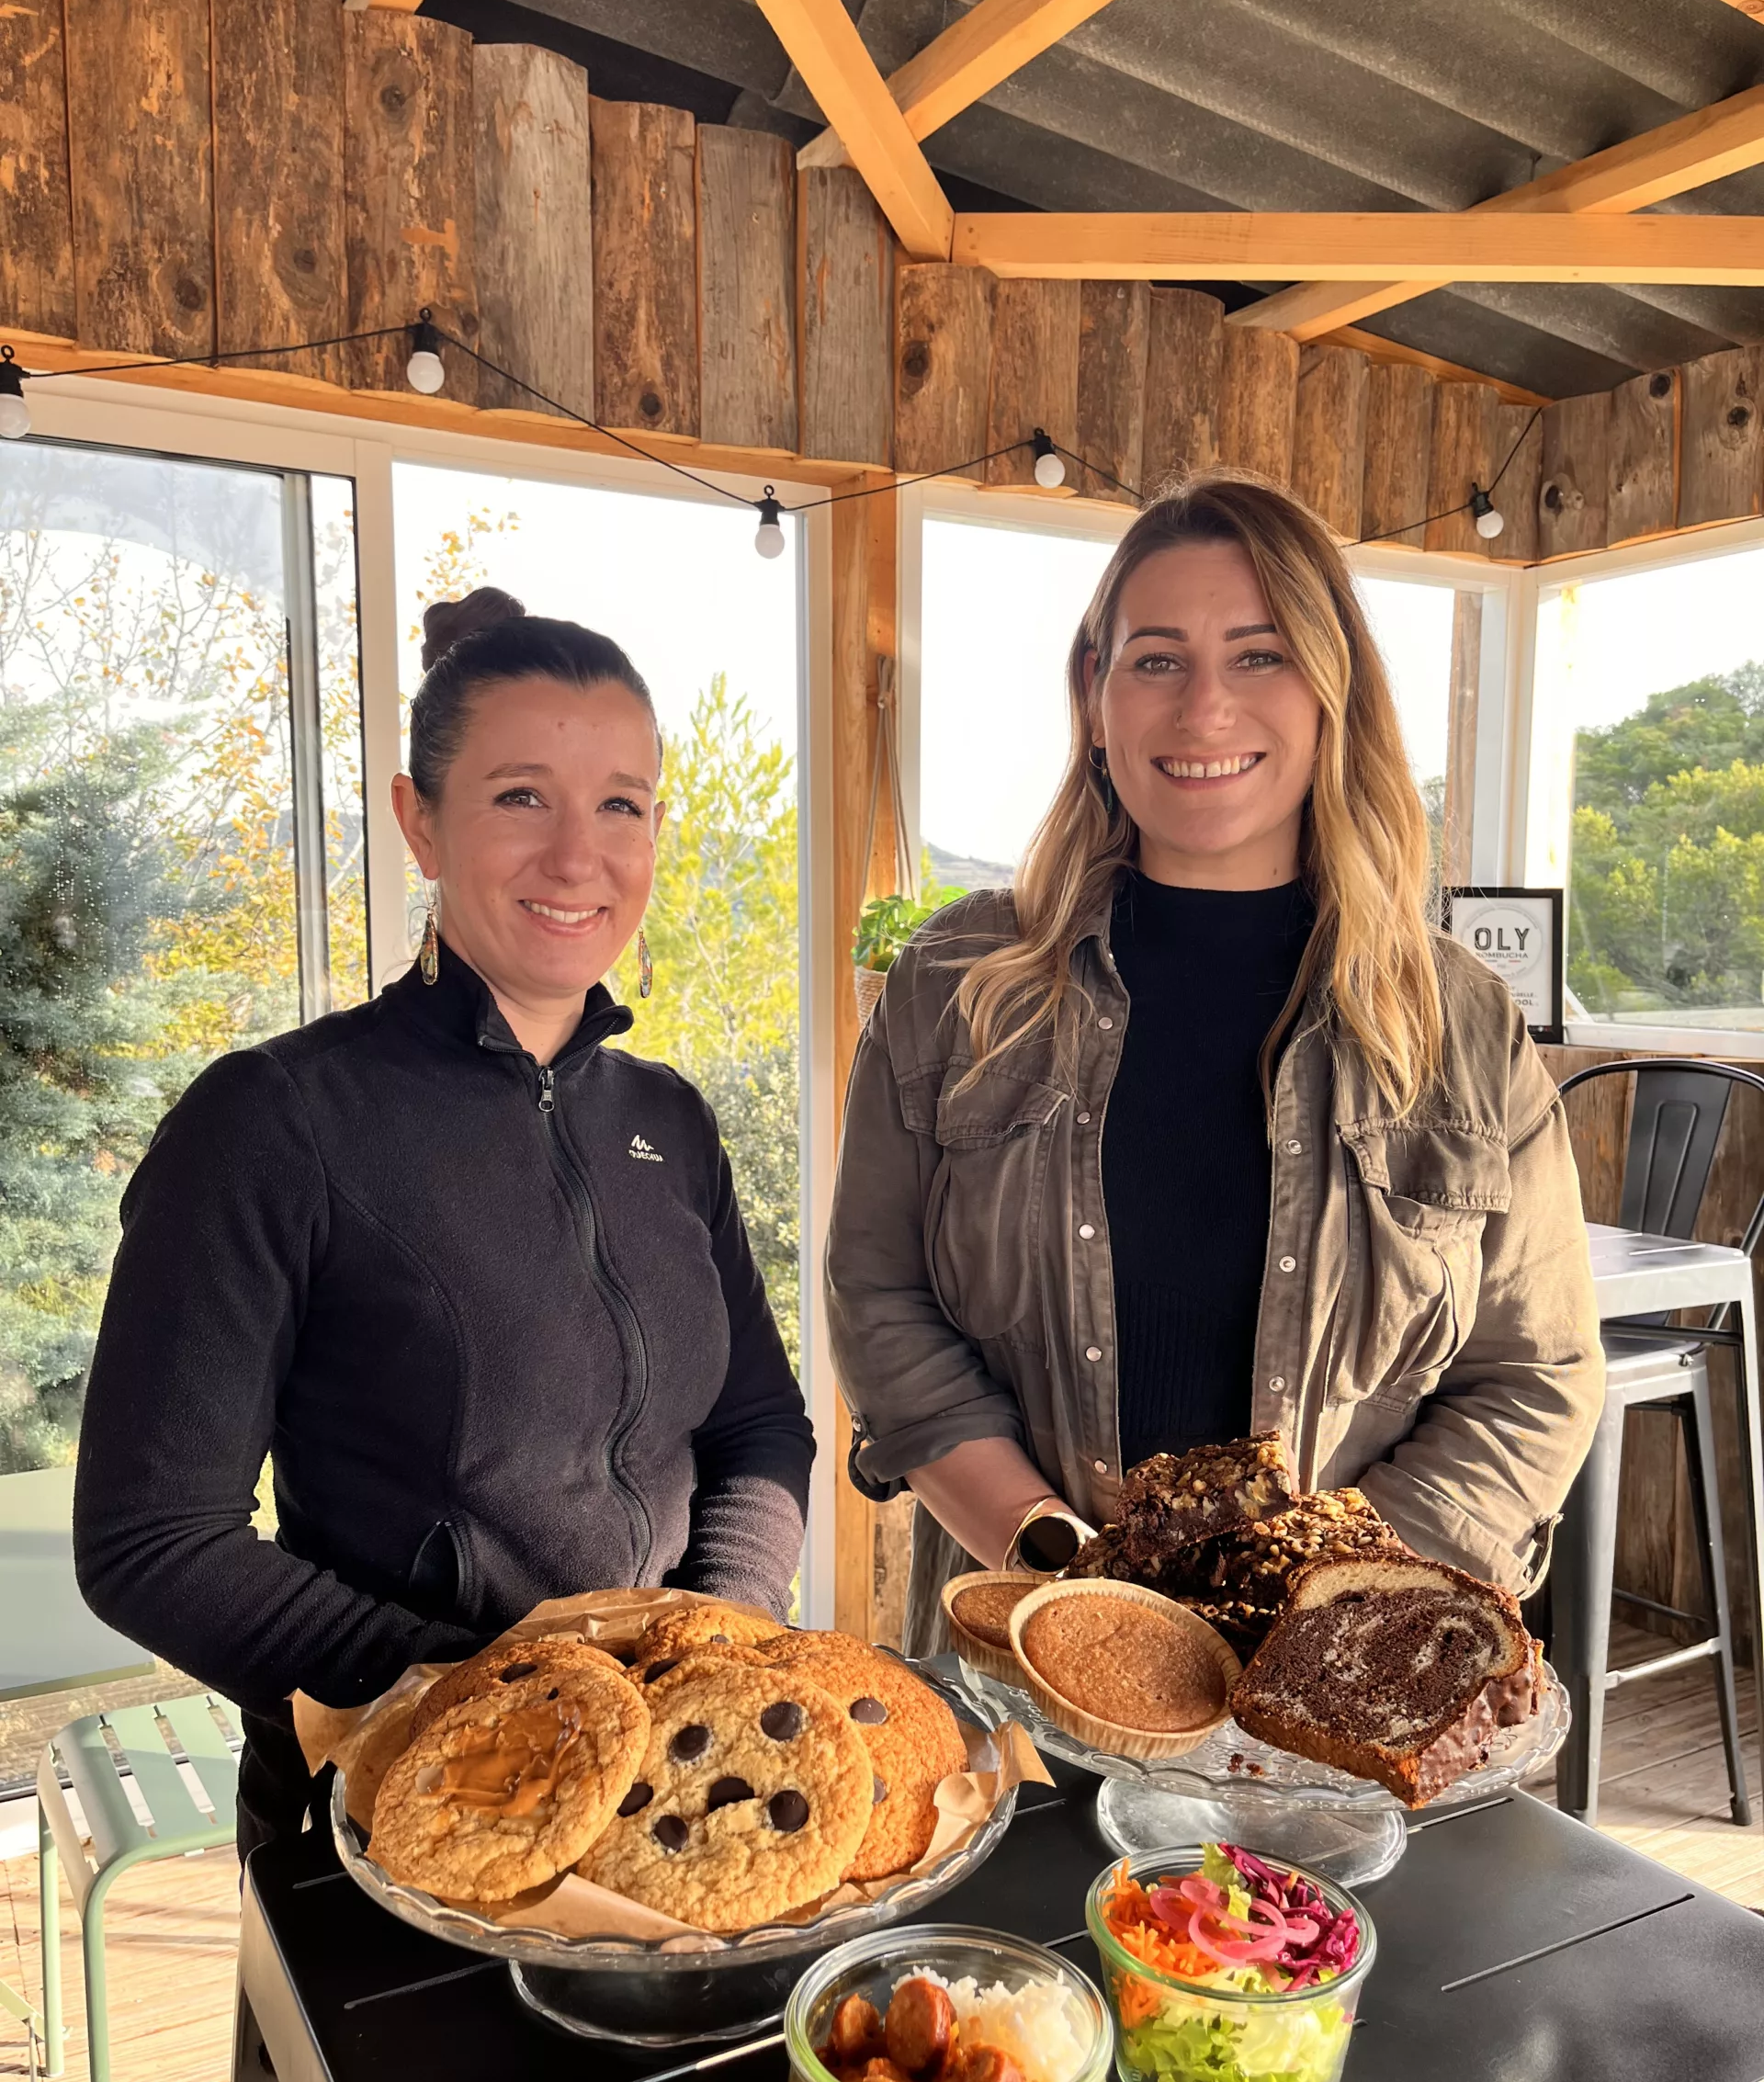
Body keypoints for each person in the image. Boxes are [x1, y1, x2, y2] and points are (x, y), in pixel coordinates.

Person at [74, 589, 814, 1855]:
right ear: (419, 822)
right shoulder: (276, 1120)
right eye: (522, 797)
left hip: (669, 1807)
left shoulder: (670, 1123)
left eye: (621, 805)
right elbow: (152, 1540)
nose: (579, 857)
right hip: (402, 1812)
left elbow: (756, 1424)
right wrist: (489, 1700)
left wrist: (704, 1657)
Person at [826, 471, 1603, 1657]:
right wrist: (1059, 1565)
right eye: (1156, 659)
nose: (1203, 710)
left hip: (1342, 1694)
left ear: (1332, 687)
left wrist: (1316, 1597)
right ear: (1094, 695)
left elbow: (1536, 1374)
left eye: (1259, 655)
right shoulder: (955, 987)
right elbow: (880, 1301)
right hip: (1027, 1670)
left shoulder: (1460, 1025)